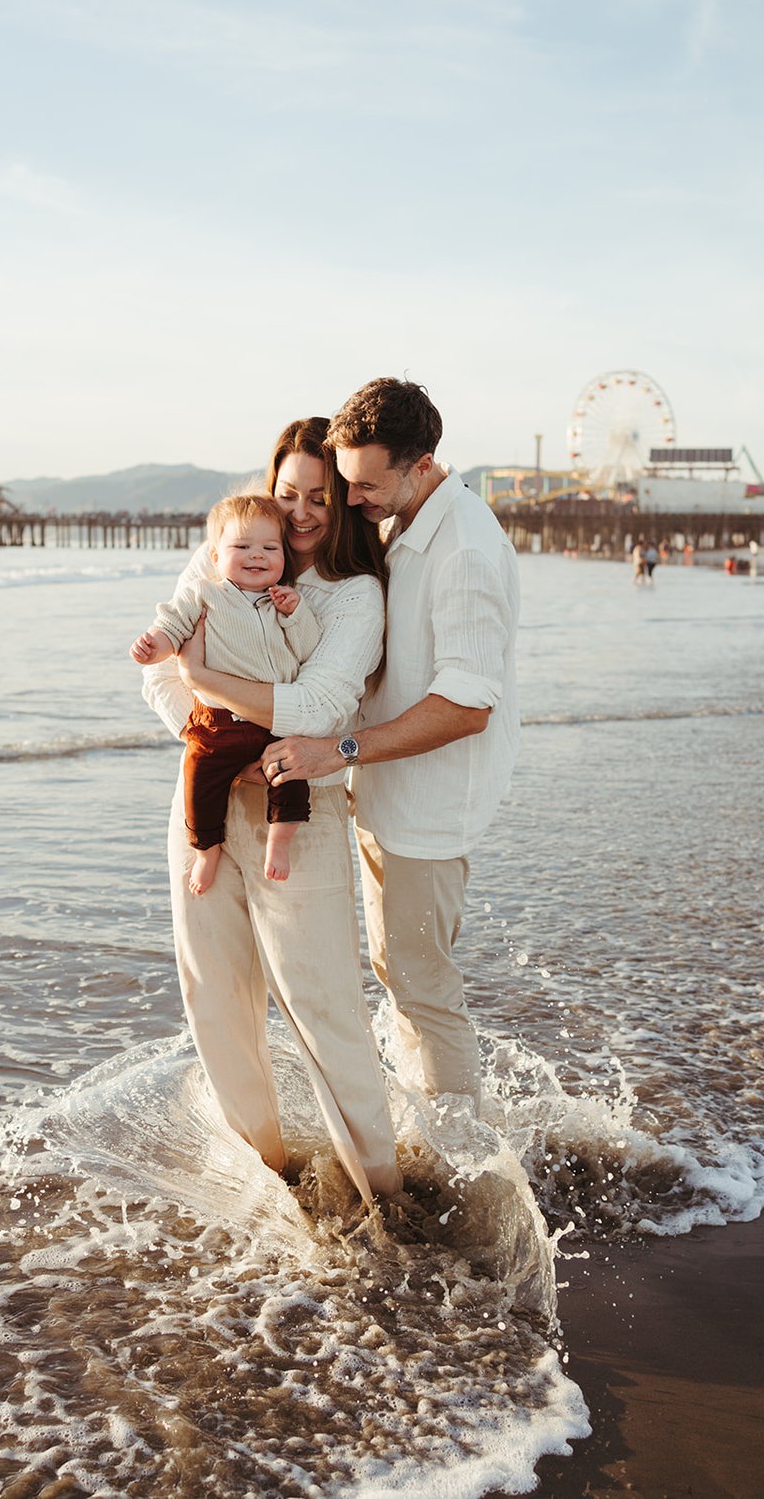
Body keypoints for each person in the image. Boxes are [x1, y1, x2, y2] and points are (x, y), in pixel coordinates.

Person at [141, 417, 402, 1204]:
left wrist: (212, 686)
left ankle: (383, 1194)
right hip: (207, 803)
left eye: (319, 497)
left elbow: (321, 704)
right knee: (214, 997)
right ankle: (266, 1181)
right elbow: (159, 676)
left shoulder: (353, 594)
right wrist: (219, 741)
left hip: (302, 819)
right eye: (288, 492)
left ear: (344, 502)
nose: (298, 513)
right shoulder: (225, 553)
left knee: (324, 1010)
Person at [262, 378, 520, 1114]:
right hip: (388, 789)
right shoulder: (405, 523)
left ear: (423, 463)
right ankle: (426, 1116)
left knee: (422, 983)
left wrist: (335, 749)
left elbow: (469, 705)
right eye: (344, 482)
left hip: (430, 803)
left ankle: (463, 1157)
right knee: (399, 968)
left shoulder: (463, 547)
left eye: (365, 485)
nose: (349, 500)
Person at [130, 493, 319, 893]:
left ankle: (279, 841)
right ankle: (206, 851)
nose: (257, 556)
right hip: (218, 724)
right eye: (242, 547)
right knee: (200, 781)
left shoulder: (280, 602)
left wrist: (296, 615)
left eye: (270, 548)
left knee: (291, 778)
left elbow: (307, 649)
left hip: (273, 719)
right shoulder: (205, 593)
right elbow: (174, 626)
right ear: (215, 556)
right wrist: (155, 646)